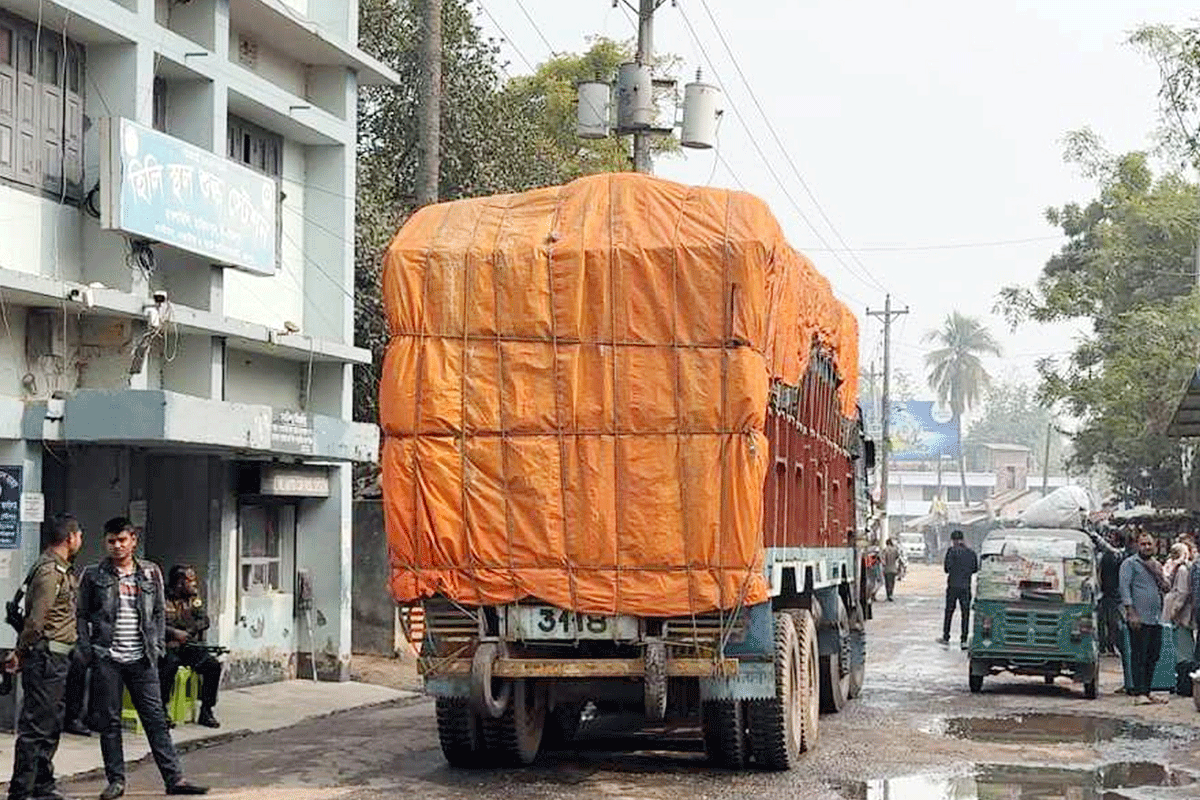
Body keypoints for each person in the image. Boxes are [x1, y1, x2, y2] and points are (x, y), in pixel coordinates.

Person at [77, 517, 208, 799]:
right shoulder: (93, 575)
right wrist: (88, 650)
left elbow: (159, 612)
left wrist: (158, 645)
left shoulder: (150, 573)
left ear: (133, 540)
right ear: (105, 543)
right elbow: (81, 615)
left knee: (156, 719)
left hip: (143, 659)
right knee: (110, 723)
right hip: (107, 659)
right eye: (111, 541)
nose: (117, 546)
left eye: (122, 540)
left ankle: (175, 779)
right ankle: (116, 781)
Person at [5, 513, 83, 800]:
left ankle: (42, 784)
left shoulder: (59, 568)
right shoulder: (50, 571)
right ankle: (21, 790)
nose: (80, 540)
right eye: (79, 535)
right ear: (70, 538)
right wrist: (20, 652)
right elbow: (37, 620)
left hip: (57, 659)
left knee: (50, 724)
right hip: (46, 658)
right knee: (36, 727)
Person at [159, 566, 221, 728]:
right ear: (180, 583)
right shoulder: (161, 597)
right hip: (167, 646)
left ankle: (206, 711)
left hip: (188, 646)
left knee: (213, 665)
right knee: (169, 665)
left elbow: (204, 620)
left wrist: (189, 631)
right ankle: (161, 711)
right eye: (190, 581)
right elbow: (154, 624)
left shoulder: (193, 598)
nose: (194, 585)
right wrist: (174, 633)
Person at [1119, 531, 1171, 705]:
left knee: (1153, 655)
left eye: (1149, 544)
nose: (1147, 547)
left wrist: (1158, 574)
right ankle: (1139, 693)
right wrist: (1131, 612)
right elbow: (1124, 588)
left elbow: (1166, 587)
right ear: (1137, 546)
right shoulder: (1129, 564)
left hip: (1156, 618)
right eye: (1143, 544)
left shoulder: (1156, 564)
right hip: (1139, 618)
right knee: (1139, 655)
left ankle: (1148, 691)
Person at [1163, 542, 1196, 696]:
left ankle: (1185, 686)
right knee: (1179, 651)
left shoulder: (1182, 570)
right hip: (1178, 616)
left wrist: (1174, 612)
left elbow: (1183, 593)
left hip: (1181, 618)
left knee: (1183, 652)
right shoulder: (1177, 568)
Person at [938, 529, 978, 649]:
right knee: (965, 614)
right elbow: (975, 569)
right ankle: (964, 639)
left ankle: (946, 637)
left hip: (953, 586)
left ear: (953, 540)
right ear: (963, 539)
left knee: (949, 612)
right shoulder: (971, 552)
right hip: (966, 587)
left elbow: (946, 569)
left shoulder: (951, 551)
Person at [1096, 528, 1127, 657]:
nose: (1108, 539)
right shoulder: (1111, 555)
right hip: (1108, 593)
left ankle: (1110, 646)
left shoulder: (1115, 555)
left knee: (1112, 622)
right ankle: (1106, 646)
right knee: (1106, 621)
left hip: (1112, 593)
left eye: (1111, 537)